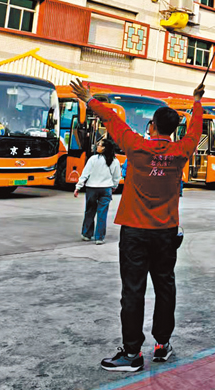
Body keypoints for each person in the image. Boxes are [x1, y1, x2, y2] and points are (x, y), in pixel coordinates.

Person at [70, 78, 204, 372]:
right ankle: (162, 344)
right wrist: (196, 103)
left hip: (135, 231)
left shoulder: (136, 146)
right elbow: (195, 131)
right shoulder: (181, 150)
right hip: (166, 232)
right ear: (173, 130)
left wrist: (89, 99)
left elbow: (112, 119)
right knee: (165, 286)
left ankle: (132, 353)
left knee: (133, 290)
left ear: (152, 127)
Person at [74, 137, 122, 245]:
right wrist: (114, 186)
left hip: (92, 189)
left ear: (104, 148)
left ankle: (87, 234)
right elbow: (116, 177)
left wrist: (78, 187)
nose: (97, 146)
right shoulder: (114, 161)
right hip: (106, 189)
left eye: (99, 145)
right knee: (102, 213)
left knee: (90, 211)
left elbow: (85, 174)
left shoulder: (93, 159)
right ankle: (99, 237)